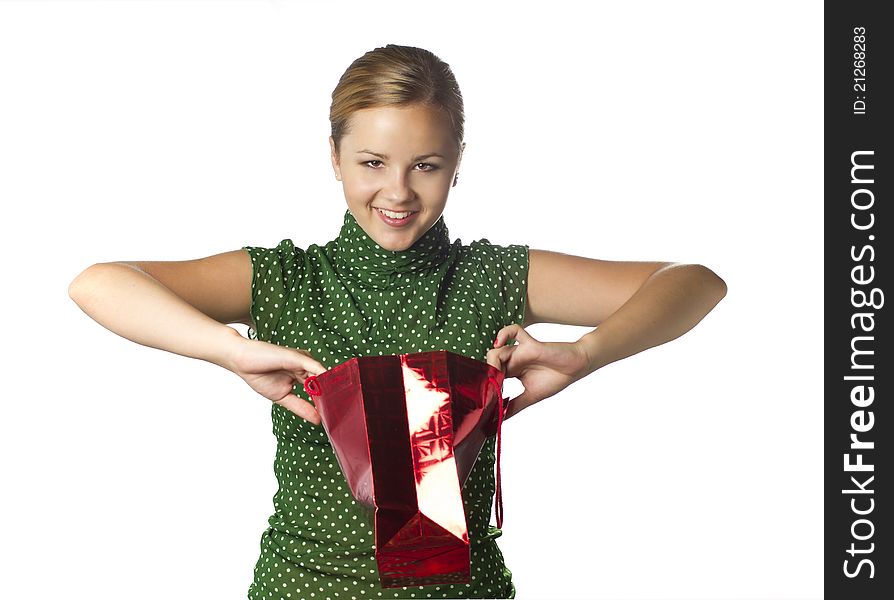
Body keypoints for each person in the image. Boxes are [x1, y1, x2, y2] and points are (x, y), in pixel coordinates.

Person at [68, 44, 727, 600]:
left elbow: (694, 282)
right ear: (334, 158)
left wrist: (585, 353)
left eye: (427, 166)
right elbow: (99, 284)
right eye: (372, 163)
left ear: (457, 162)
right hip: (303, 586)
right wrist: (227, 349)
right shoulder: (284, 280)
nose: (399, 192)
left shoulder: (495, 277)